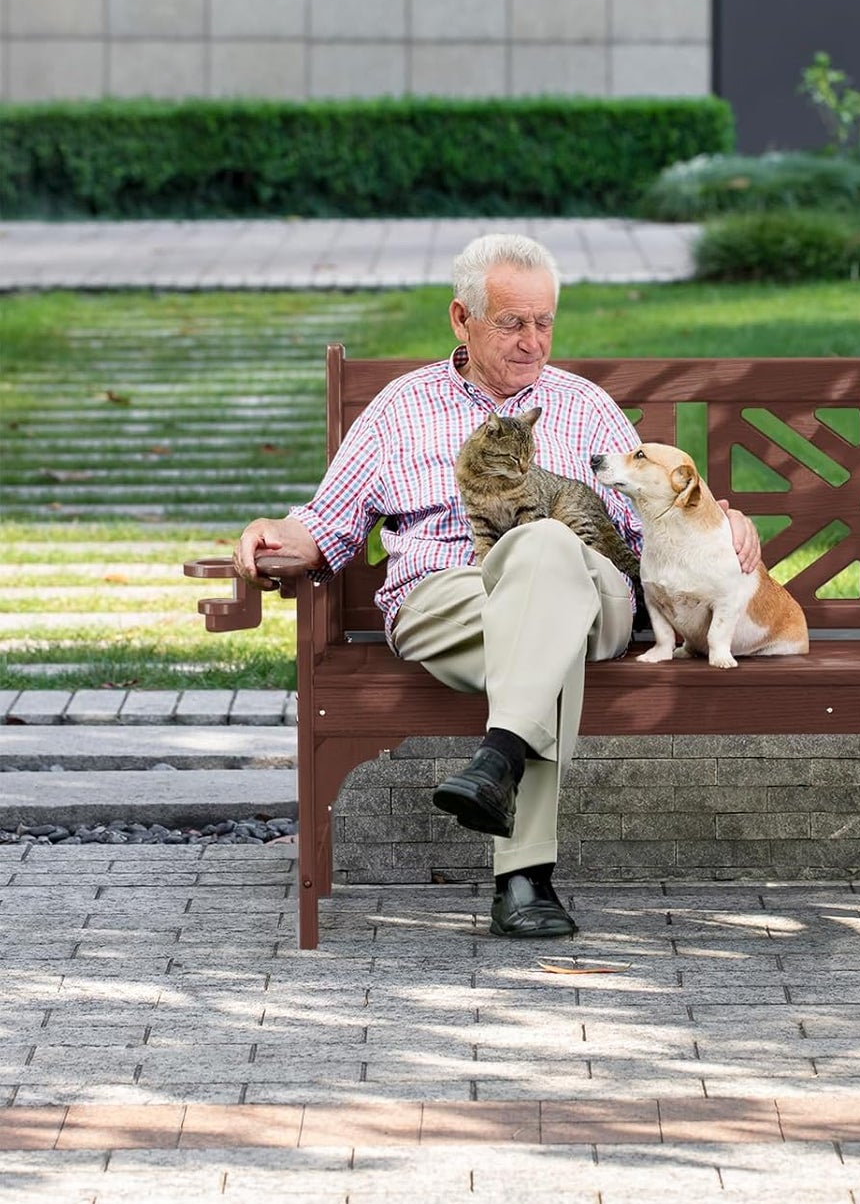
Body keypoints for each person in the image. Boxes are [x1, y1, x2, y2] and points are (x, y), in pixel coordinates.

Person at [234, 233, 760, 939]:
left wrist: (721, 522)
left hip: (593, 595)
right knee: (544, 637)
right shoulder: (402, 407)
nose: (532, 341)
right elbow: (328, 523)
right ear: (462, 318)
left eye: (544, 322)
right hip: (448, 600)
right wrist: (273, 530)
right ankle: (523, 880)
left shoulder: (584, 405)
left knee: (544, 543)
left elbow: (653, 528)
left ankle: (499, 758)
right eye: (512, 322)